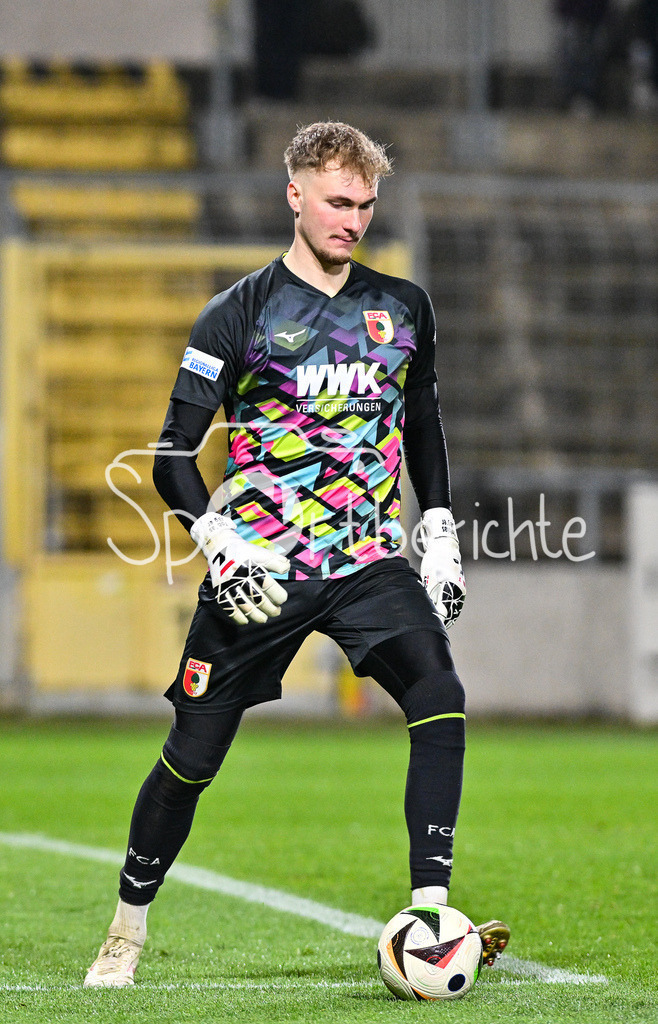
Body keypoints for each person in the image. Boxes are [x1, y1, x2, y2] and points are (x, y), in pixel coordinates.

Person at [84, 121, 510, 988]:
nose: (352, 219)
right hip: (261, 573)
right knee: (190, 761)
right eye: (337, 201)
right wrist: (218, 541)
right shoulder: (237, 312)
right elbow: (171, 458)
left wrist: (437, 535)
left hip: (365, 563)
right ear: (296, 195)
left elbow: (421, 423)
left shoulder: (405, 308)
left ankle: (429, 915)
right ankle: (124, 931)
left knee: (440, 695)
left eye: (365, 204)